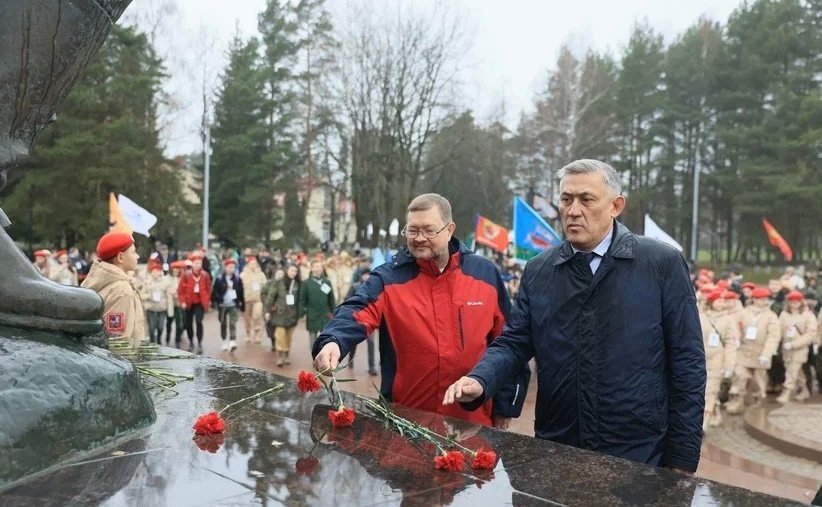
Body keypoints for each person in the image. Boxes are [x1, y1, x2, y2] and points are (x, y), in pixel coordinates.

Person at [442, 159, 705, 472]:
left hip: (638, 450)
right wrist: (480, 378)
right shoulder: (540, 269)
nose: (573, 210)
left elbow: (688, 362)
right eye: (566, 200)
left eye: (586, 199)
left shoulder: (661, 263)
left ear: (616, 206)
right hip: (557, 443)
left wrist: (682, 459)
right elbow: (514, 342)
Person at [314, 193, 530, 428]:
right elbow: (357, 310)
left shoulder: (485, 273)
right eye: (412, 230)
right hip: (405, 423)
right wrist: (333, 341)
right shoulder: (388, 278)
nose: (419, 238)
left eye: (429, 230)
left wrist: (505, 407)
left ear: (449, 230)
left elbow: (508, 341)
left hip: (472, 422)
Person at [81, 232, 146, 346]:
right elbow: (116, 337)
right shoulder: (121, 290)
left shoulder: (100, 278)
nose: (137, 256)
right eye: (133, 252)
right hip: (122, 359)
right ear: (121, 257)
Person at [726, 287, 781, 414]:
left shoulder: (771, 316)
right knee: (739, 374)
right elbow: (735, 327)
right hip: (744, 350)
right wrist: (736, 339)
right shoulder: (744, 312)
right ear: (754, 300)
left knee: (759, 379)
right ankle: (737, 401)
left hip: (761, 352)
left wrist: (767, 353)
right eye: (762, 299)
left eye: (766, 299)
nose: (765, 302)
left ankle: (758, 401)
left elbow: (773, 336)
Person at [700, 291, 738, 431]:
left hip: (717, 359)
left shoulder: (728, 320)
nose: (722, 304)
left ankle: (705, 421)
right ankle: (715, 412)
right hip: (700, 358)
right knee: (702, 390)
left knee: (711, 390)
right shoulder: (701, 317)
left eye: (723, 301)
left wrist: (729, 365)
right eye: (718, 301)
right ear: (711, 302)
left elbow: (731, 343)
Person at [776, 291, 818, 403]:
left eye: (797, 302)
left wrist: (795, 344)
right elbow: (778, 330)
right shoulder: (784, 314)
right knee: (797, 372)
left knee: (791, 372)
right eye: (792, 302)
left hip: (800, 349)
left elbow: (810, 334)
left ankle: (786, 393)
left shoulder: (808, 315)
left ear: (801, 302)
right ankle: (804, 391)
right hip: (786, 348)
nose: (794, 304)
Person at [263, 264, 301, 366]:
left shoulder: (297, 284)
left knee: (289, 337)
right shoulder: (279, 283)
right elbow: (270, 297)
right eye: (292, 270)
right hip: (279, 314)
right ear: (286, 271)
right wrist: (267, 311)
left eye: (295, 271)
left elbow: (300, 301)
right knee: (280, 336)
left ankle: (286, 355)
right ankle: (280, 356)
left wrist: (300, 313)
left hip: (292, 314)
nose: (294, 273)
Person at [345, 268, 378, 375]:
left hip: (370, 320)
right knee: (354, 342)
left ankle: (372, 366)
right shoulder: (355, 286)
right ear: (361, 275)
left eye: (369, 274)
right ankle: (350, 360)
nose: (367, 276)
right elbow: (347, 300)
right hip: (357, 319)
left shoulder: (375, 287)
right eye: (365, 274)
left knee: (371, 343)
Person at [177, 252, 212, 354]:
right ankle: (191, 341)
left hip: (200, 303)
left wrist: (207, 301)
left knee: (198, 321)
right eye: (196, 263)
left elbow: (209, 289)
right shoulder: (186, 275)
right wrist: (182, 301)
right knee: (188, 323)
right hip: (189, 302)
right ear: (192, 263)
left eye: (200, 263)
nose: (198, 265)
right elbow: (180, 290)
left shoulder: (205, 275)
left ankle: (200, 342)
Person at [300, 259, 336, 351]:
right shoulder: (306, 283)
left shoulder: (327, 282)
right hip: (312, 313)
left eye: (320, 267)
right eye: (316, 267)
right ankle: (314, 356)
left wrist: (334, 311)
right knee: (312, 337)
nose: (318, 269)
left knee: (325, 337)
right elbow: (302, 300)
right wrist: (302, 312)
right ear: (312, 268)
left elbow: (331, 299)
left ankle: (323, 355)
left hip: (325, 313)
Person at [212, 258, 245, 352]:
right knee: (223, 323)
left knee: (232, 323)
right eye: (230, 267)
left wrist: (242, 304)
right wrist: (218, 301)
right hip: (223, 305)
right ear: (225, 268)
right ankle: (224, 340)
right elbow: (215, 292)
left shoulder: (237, 279)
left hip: (233, 304)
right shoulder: (219, 279)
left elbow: (241, 292)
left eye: (233, 267)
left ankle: (232, 340)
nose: (232, 269)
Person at [140, 261, 174, 345]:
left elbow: (169, 296)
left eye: (157, 271)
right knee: (151, 328)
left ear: (160, 272)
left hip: (162, 308)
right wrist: (149, 296)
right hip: (151, 308)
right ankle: (152, 342)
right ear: (150, 272)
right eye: (153, 271)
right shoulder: (147, 283)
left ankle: (159, 339)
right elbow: (141, 295)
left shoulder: (165, 282)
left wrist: (170, 311)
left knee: (161, 327)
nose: (155, 273)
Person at [241, 256, 267, 344]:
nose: (253, 265)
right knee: (247, 318)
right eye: (251, 263)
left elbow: (265, 286)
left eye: (254, 263)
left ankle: (257, 335)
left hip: (258, 299)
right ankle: (248, 334)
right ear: (248, 264)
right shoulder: (243, 274)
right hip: (247, 300)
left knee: (257, 316)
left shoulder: (261, 274)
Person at [167, 260, 187, 347]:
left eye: (177, 270)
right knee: (169, 323)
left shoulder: (182, 279)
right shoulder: (167, 278)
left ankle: (177, 339)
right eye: (174, 269)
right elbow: (166, 290)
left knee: (180, 324)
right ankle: (167, 337)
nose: (176, 271)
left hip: (179, 304)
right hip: (170, 304)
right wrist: (173, 293)